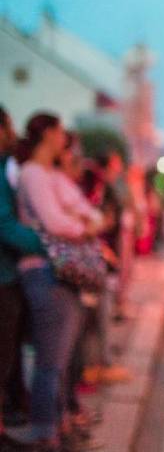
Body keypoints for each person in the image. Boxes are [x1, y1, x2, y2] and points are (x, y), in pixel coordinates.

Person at [10, 114, 101, 451]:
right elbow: (54, 221)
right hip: (45, 271)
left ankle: (58, 426)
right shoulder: (33, 173)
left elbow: (84, 212)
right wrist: (83, 226)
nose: (65, 137)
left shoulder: (49, 174)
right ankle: (45, 432)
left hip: (63, 272)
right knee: (51, 360)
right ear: (48, 134)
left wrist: (81, 219)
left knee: (62, 358)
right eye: (61, 131)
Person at [0, 107, 46, 445]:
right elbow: (4, 223)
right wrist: (46, 244)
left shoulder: (8, 168)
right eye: (8, 127)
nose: (11, 135)